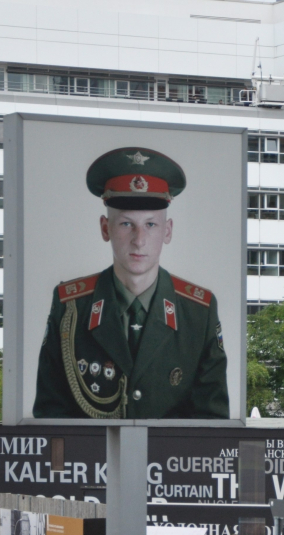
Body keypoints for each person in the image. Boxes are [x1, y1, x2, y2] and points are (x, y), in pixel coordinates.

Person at [33, 147, 229, 420]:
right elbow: (50, 419)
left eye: (151, 225)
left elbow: (212, 429)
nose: (139, 240)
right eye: (126, 224)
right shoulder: (71, 307)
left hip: (169, 463)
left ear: (168, 231)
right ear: (105, 228)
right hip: (93, 462)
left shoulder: (199, 312)